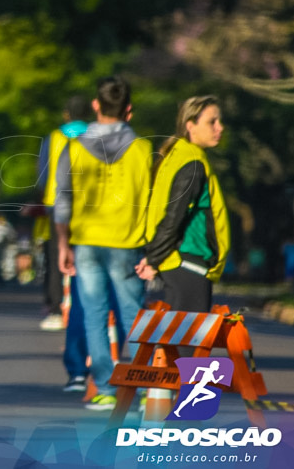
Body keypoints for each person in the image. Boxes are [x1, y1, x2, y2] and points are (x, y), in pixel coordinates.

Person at [55, 75, 151, 412]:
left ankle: (107, 389)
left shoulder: (74, 147)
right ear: (129, 111)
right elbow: (151, 201)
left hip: (87, 243)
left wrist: (63, 245)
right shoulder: (142, 150)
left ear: (96, 105)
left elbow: (62, 200)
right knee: (134, 317)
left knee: (94, 316)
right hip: (126, 243)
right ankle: (140, 390)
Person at [136, 96, 230, 313]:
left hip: (180, 263)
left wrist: (153, 256)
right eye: (212, 122)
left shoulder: (178, 156)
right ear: (191, 126)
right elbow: (173, 217)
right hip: (189, 263)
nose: (220, 127)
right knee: (189, 343)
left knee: (175, 341)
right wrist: (153, 259)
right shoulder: (192, 164)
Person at [36, 95, 91, 330]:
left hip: (55, 203)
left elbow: (42, 173)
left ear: (66, 114)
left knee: (55, 256)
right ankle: (86, 306)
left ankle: (57, 309)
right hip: (88, 205)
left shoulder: (55, 137)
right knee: (85, 257)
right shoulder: (97, 136)